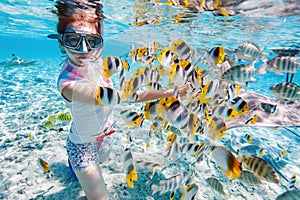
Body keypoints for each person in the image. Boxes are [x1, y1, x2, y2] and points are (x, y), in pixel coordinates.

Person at [50, 1, 188, 199]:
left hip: (107, 136)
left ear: (100, 42)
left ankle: (78, 171)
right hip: (81, 146)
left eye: (92, 41)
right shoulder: (68, 84)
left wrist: (170, 91)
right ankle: (74, 166)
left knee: (103, 161)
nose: (83, 49)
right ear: (61, 43)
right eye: (73, 40)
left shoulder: (98, 64)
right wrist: (166, 93)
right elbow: (124, 97)